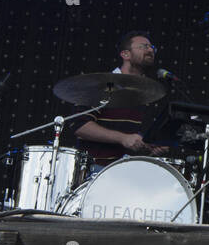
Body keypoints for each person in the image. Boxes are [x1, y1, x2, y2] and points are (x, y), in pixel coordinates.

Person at [67, 31, 169, 169]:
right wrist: (123, 138)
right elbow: (80, 126)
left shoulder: (145, 91)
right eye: (144, 46)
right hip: (96, 170)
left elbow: (131, 139)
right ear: (125, 54)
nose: (150, 50)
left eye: (152, 47)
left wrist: (149, 147)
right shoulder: (104, 84)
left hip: (126, 171)